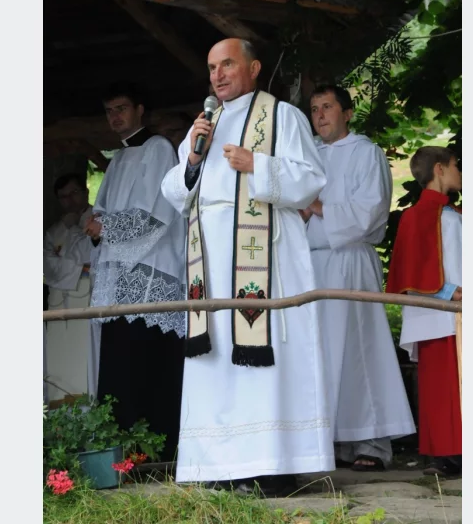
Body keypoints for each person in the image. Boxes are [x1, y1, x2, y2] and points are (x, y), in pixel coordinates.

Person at [160, 38, 332, 496]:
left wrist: (258, 163)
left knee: (264, 359)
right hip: (211, 262)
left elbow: (312, 181)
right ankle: (219, 463)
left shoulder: (282, 116)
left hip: (265, 258)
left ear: (253, 67)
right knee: (216, 358)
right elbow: (174, 190)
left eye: (227, 64)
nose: (217, 75)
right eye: (212, 67)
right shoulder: (206, 123)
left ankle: (274, 465)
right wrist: (194, 158)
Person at [302, 85, 416, 472]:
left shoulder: (367, 153)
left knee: (360, 351)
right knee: (323, 353)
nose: (320, 115)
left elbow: (369, 212)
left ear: (347, 113)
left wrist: (316, 207)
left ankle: (372, 441)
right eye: (315, 109)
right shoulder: (307, 158)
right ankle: (332, 439)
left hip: (350, 260)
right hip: (312, 265)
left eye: (328, 107)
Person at [82, 83, 187, 462]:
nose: (115, 116)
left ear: (140, 109)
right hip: (118, 284)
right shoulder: (117, 159)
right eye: (110, 110)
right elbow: (101, 210)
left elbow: (155, 213)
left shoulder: (159, 149)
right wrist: (96, 225)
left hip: (150, 278)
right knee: (119, 370)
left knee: (146, 367)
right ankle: (121, 454)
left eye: (122, 108)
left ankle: (155, 451)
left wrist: (106, 229)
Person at [386, 146, 462, 478]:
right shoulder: (420, 216)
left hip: (448, 315)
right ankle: (448, 452)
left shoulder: (447, 215)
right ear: (440, 170)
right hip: (442, 313)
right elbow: (411, 271)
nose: (461, 172)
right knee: (444, 386)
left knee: (450, 386)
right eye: (457, 165)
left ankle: (447, 451)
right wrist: (447, 292)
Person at [43, 173, 96, 402]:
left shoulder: (97, 219)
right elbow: (45, 264)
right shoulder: (55, 230)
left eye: (74, 193)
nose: (70, 200)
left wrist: (69, 267)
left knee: (83, 358)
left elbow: (92, 256)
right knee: (57, 359)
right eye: (63, 197)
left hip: (87, 296)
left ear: (85, 192)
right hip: (58, 301)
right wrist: (77, 268)